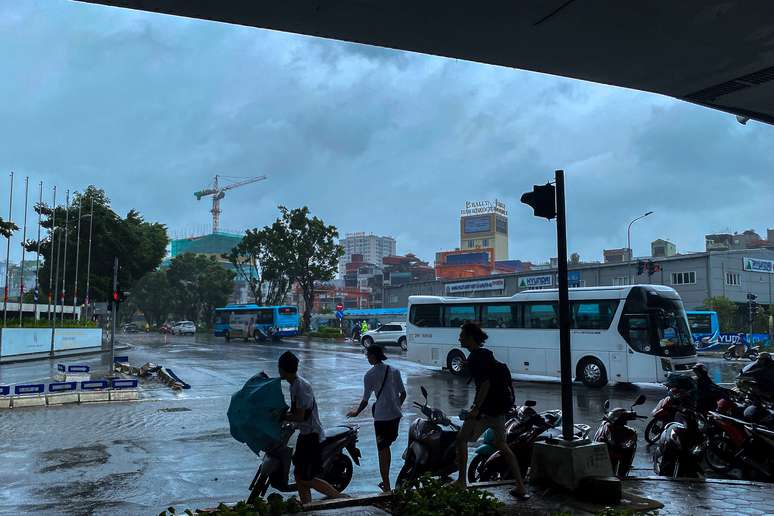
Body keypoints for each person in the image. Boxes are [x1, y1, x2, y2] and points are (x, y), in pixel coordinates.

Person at [453, 322, 529, 500]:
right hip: (499, 410)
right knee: (502, 445)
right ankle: (520, 486)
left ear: (470, 337)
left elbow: (485, 384)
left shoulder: (476, 358)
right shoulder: (484, 355)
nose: (459, 339)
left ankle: (462, 482)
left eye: (462, 336)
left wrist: (476, 409)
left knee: (461, 439)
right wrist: (468, 364)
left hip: (485, 411)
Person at [277, 351, 342, 505]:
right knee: (299, 477)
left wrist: (282, 416)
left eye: (279, 367)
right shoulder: (294, 385)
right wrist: (284, 417)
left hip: (312, 436)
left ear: (283, 369)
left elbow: (301, 416)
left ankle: (340, 498)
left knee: (306, 478)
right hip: (305, 435)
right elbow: (296, 413)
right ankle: (307, 506)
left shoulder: (301, 387)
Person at [347, 345, 406, 492]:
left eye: (367, 355)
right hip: (395, 416)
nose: (367, 358)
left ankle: (386, 485)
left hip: (381, 417)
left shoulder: (369, 375)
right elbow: (403, 394)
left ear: (373, 356)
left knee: (382, 450)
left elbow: (365, 400)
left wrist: (356, 412)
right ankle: (386, 482)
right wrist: (396, 406)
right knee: (387, 446)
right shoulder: (394, 371)